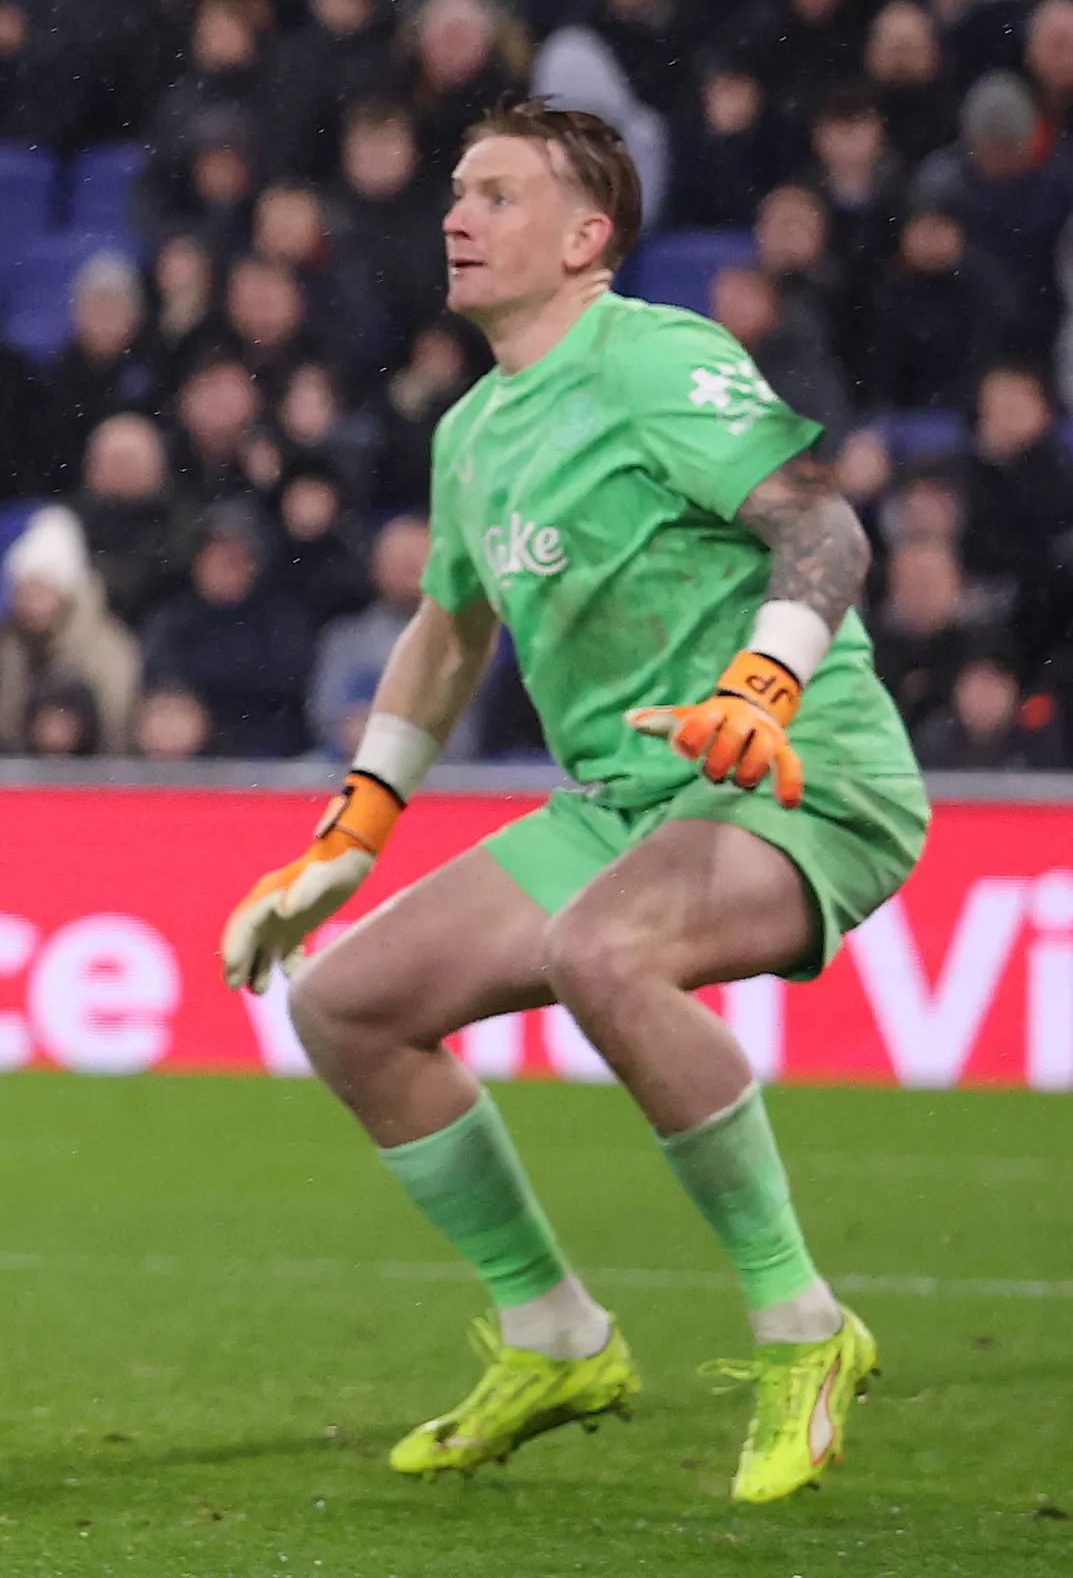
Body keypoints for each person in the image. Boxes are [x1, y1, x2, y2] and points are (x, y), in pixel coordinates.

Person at [226, 102, 923, 1505]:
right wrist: (353, 829)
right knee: (342, 1004)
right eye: (453, 191)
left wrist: (763, 686)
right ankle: (554, 1331)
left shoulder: (652, 355)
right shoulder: (475, 429)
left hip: (803, 770)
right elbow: (444, 634)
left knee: (602, 950)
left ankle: (803, 1326)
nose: (456, 216)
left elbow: (822, 525)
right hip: (624, 799)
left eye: (494, 193)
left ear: (586, 235)